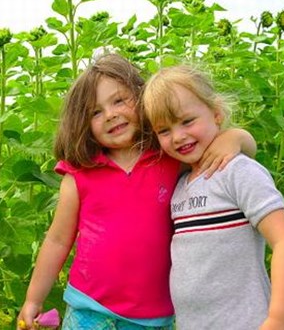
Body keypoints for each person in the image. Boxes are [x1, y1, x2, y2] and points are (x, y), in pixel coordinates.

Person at [17, 54, 257, 330]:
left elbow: (243, 150)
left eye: (119, 100)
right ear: (82, 124)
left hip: (153, 317)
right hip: (89, 310)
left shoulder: (169, 157)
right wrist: (34, 298)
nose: (111, 115)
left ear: (142, 99)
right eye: (95, 112)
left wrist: (236, 138)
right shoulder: (79, 174)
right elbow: (58, 241)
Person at [142, 64, 284, 330]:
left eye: (187, 121)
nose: (178, 136)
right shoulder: (180, 184)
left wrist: (279, 320)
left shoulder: (237, 171)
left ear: (216, 113)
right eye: (164, 131)